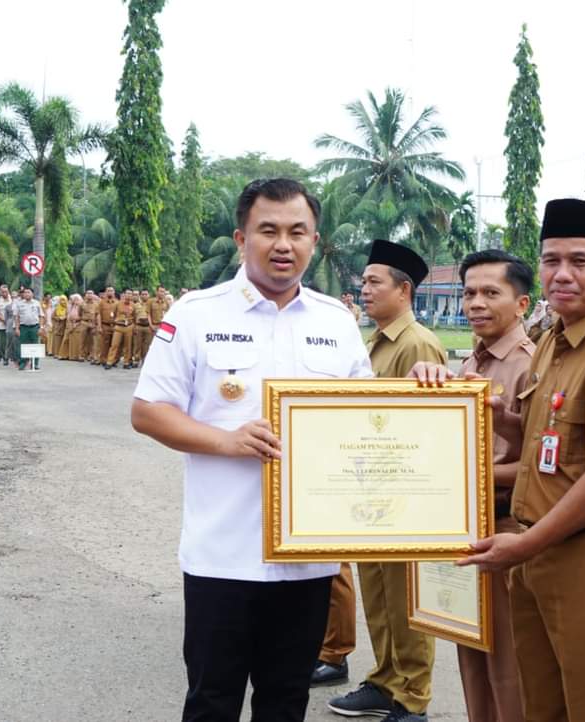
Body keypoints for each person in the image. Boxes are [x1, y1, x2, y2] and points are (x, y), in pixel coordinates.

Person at [131, 178, 372, 722]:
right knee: (213, 701)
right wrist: (227, 440)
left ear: (315, 240)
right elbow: (148, 410)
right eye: (269, 230)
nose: (283, 244)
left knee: (286, 701)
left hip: (308, 561)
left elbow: (367, 421)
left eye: (297, 232)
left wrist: (425, 389)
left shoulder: (336, 322)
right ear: (242, 239)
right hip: (223, 554)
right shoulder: (197, 313)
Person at [456, 199, 585, 722]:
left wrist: (522, 544)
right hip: (538, 553)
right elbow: (539, 441)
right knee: (540, 708)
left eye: (580, 261)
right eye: (551, 260)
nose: (562, 274)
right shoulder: (556, 341)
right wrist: (492, 413)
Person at [414, 249, 535, 722]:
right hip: (465, 523)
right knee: (471, 650)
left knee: (508, 664)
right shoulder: (470, 364)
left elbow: (541, 466)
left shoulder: (530, 366)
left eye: (491, 293)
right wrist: (420, 388)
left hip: (506, 526)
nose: (476, 303)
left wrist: (465, 479)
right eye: (469, 293)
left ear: (522, 303)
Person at [328, 239, 446, 722]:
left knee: (405, 600)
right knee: (377, 593)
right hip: (370, 490)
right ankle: (384, 679)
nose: (365, 288)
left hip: (404, 493)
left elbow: (429, 428)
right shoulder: (376, 341)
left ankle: (412, 696)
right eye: (365, 280)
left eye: (375, 281)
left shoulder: (417, 343)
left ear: (404, 289)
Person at [14, 287, 44, 370]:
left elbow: (41, 316)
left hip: (34, 327)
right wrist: (17, 328)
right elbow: (17, 317)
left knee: (35, 344)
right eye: (25, 292)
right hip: (23, 327)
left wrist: (41, 328)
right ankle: (23, 362)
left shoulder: (36, 303)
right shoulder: (20, 304)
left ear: (32, 294)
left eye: (28, 292)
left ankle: (35, 363)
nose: (26, 294)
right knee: (23, 345)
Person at [105, 290, 136, 369]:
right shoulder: (117, 304)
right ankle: (109, 362)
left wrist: (133, 326)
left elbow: (134, 316)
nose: (129, 295)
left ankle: (126, 362)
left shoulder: (133, 305)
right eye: (127, 293)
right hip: (119, 326)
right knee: (114, 345)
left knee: (127, 346)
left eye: (130, 294)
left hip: (129, 326)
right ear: (124, 294)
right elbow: (113, 314)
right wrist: (114, 322)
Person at [95, 286, 118, 365]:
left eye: (111, 290)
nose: (110, 292)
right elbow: (98, 315)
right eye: (108, 290)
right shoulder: (101, 302)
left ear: (114, 292)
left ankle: (112, 360)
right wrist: (99, 326)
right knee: (104, 344)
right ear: (106, 292)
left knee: (114, 344)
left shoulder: (117, 303)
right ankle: (103, 360)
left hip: (115, 326)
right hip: (105, 325)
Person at [0, 284, 12, 365]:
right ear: (0, 292)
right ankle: (5, 358)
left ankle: (9, 356)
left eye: (6, 292)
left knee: (10, 342)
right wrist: (4, 320)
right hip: (2, 325)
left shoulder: (11, 300)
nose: (5, 293)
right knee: (2, 343)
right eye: (3, 292)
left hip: (10, 325)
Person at [133, 289, 153, 365]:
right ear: (140, 295)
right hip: (138, 326)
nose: (144, 296)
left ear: (149, 295)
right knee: (137, 344)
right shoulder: (136, 305)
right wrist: (134, 326)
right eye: (143, 294)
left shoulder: (151, 304)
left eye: (146, 294)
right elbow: (133, 316)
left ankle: (145, 360)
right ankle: (136, 360)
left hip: (148, 327)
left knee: (147, 345)